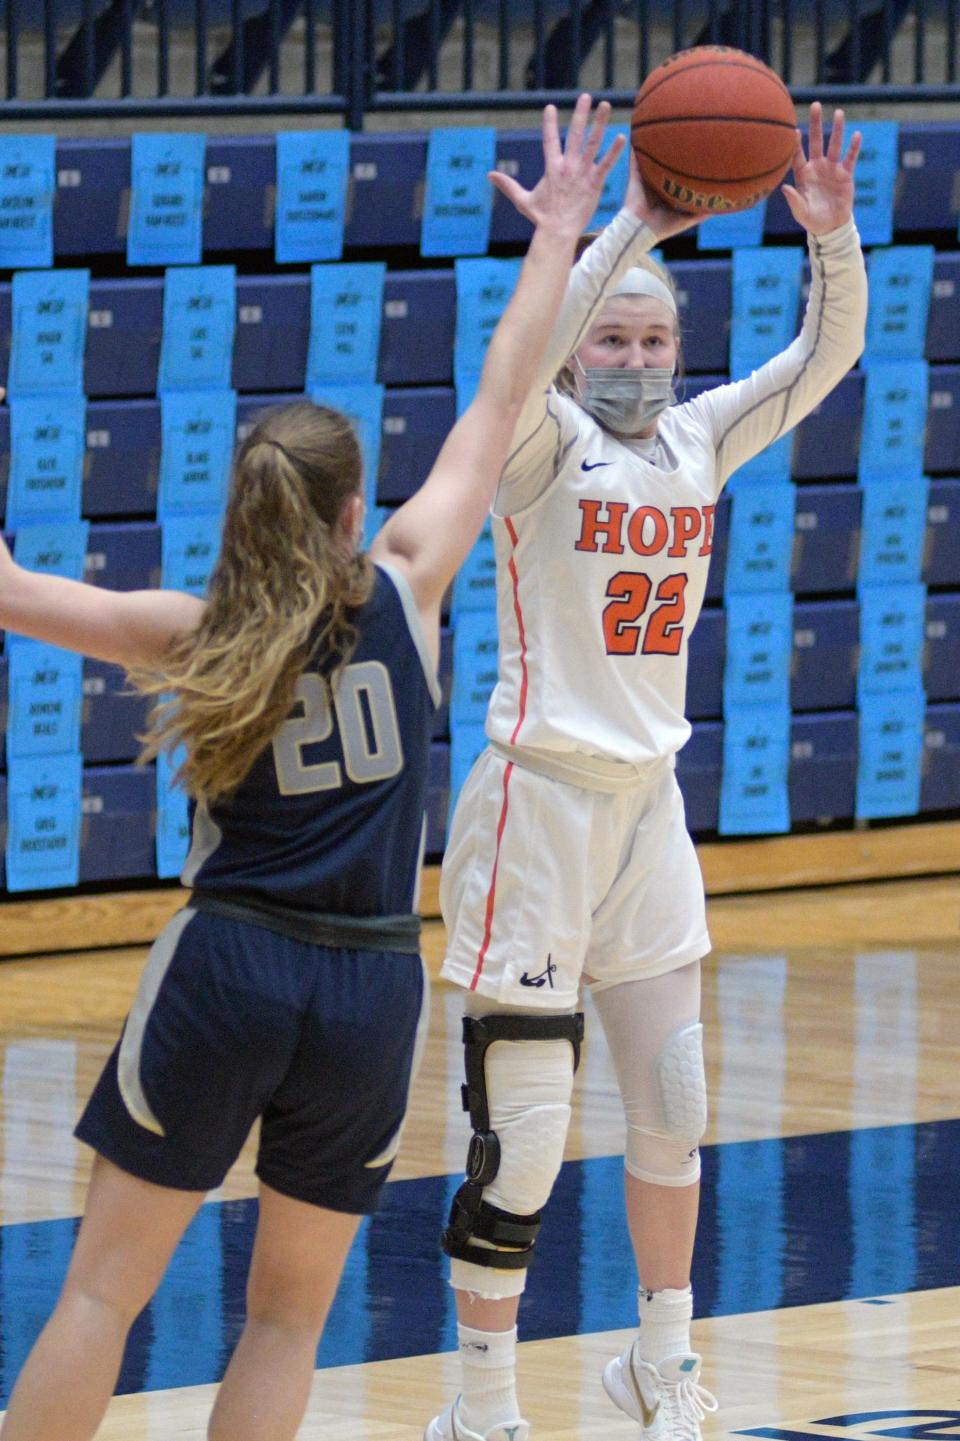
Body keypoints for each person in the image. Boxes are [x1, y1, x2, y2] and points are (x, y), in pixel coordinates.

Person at [0, 95, 628, 1441]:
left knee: (103, 1293)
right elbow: (508, 389)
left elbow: (15, 592)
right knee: (288, 1317)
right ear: (357, 509)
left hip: (228, 964)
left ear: (247, 505)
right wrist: (566, 230)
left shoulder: (194, 628)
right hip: (365, 983)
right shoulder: (407, 586)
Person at [426, 102, 865, 1441]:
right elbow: (522, 368)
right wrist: (622, 229)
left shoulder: (699, 442)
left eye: (654, 336)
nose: (631, 353)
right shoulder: (537, 444)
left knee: (677, 1096)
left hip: (647, 812)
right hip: (536, 805)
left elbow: (822, 360)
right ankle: (481, 1402)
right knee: (527, 1133)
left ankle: (659, 1366)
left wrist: (831, 241)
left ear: (681, 352)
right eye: (611, 334)